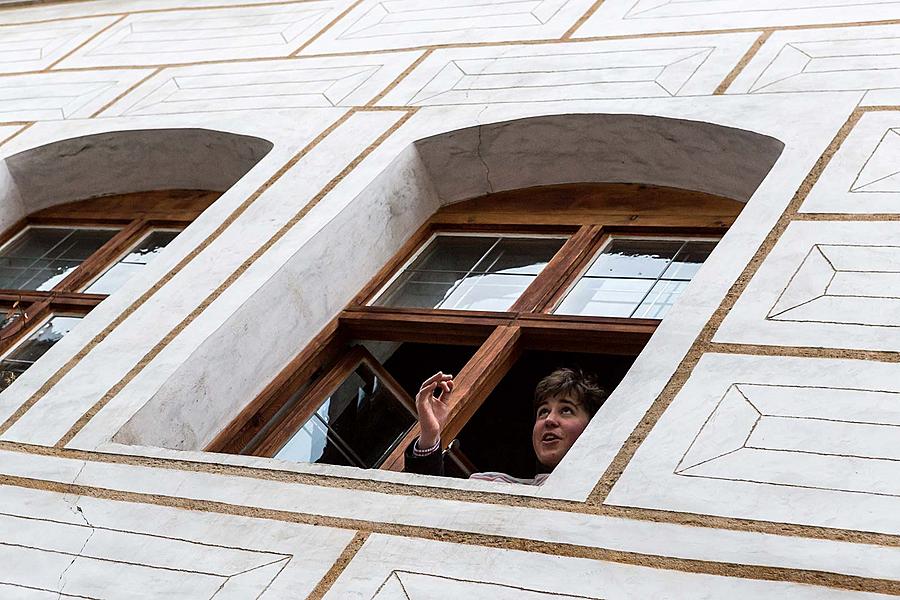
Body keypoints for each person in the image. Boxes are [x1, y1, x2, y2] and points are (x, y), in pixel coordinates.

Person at [404, 367, 607, 485]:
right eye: (543, 411)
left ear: (593, 428)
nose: (549, 420)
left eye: (566, 410)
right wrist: (430, 436)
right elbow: (426, 509)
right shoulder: (492, 486)